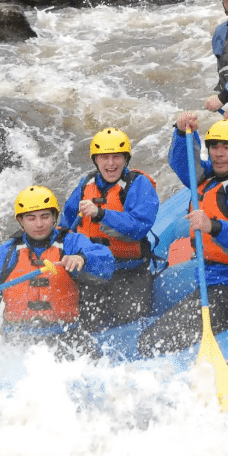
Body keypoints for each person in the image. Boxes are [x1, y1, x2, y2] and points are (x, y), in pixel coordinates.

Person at [137, 116, 228, 357]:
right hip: (214, 279)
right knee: (150, 340)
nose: (219, 154)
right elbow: (185, 165)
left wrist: (213, 226)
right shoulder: (213, 178)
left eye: (227, 147)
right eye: (214, 147)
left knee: (154, 343)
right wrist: (182, 134)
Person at [0, 185, 115, 358]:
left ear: (54, 217)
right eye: (31, 218)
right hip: (17, 337)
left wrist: (82, 258)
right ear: (21, 221)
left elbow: (105, 261)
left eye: (45, 216)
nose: (39, 224)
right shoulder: (9, 251)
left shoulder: (70, 242)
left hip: (65, 334)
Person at [60, 127, 160, 332]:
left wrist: (101, 214)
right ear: (96, 160)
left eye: (117, 157)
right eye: (104, 157)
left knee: (129, 328)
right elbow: (65, 225)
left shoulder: (138, 184)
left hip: (129, 271)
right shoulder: (86, 184)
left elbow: (139, 226)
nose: (111, 164)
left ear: (126, 159)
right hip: (93, 271)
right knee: (89, 328)